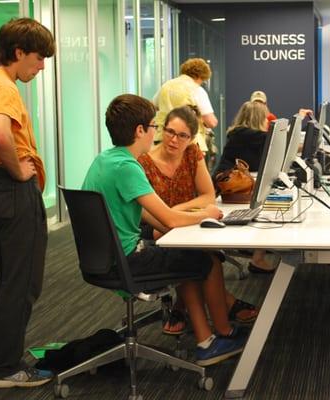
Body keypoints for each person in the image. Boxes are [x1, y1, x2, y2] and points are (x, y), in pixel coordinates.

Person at [82, 94, 247, 366]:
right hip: (126, 262)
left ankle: (209, 338)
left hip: (105, 258)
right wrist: (204, 214)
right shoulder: (128, 167)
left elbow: (148, 213)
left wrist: (171, 227)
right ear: (139, 131)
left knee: (183, 255)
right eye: (154, 127)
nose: (155, 134)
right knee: (206, 262)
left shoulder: (106, 160)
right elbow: (169, 219)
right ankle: (215, 338)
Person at [0, 18, 55, 389]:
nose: (42, 66)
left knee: (7, 278)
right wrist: (19, 171)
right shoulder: (4, 86)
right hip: (9, 187)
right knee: (21, 282)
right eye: (39, 58)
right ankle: (6, 369)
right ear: (19, 52)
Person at [138, 105, 259, 334]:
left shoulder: (192, 153)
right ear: (163, 130)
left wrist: (174, 210)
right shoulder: (144, 162)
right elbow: (152, 215)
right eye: (170, 132)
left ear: (191, 138)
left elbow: (208, 196)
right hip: (153, 228)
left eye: (182, 135)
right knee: (204, 256)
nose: (174, 140)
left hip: (182, 221)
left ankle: (183, 308)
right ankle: (226, 311)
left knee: (199, 251)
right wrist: (174, 213)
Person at [214, 101, 280, 273]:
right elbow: (275, 140)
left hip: (235, 185)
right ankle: (258, 258)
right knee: (266, 208)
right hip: (230, 188)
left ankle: (258, 253)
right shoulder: (244, 135)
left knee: (267, 202)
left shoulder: (241, 134)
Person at [153, 58, 218, 154]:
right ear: (199, 76)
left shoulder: (166, 86)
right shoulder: (196, 90)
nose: (201, 83)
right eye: (202, 80)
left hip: (163, 137)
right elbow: (211, 122)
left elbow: (154, 105)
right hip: (187, 142)